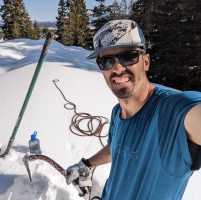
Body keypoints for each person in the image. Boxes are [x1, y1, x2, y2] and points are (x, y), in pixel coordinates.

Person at [65, 19, 201, 199]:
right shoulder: (117, 113)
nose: (118, 68)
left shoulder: (172, 113)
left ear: (146, 61)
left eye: (128, 56)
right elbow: (117, 148)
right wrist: (88, 164)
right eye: (107, 61)